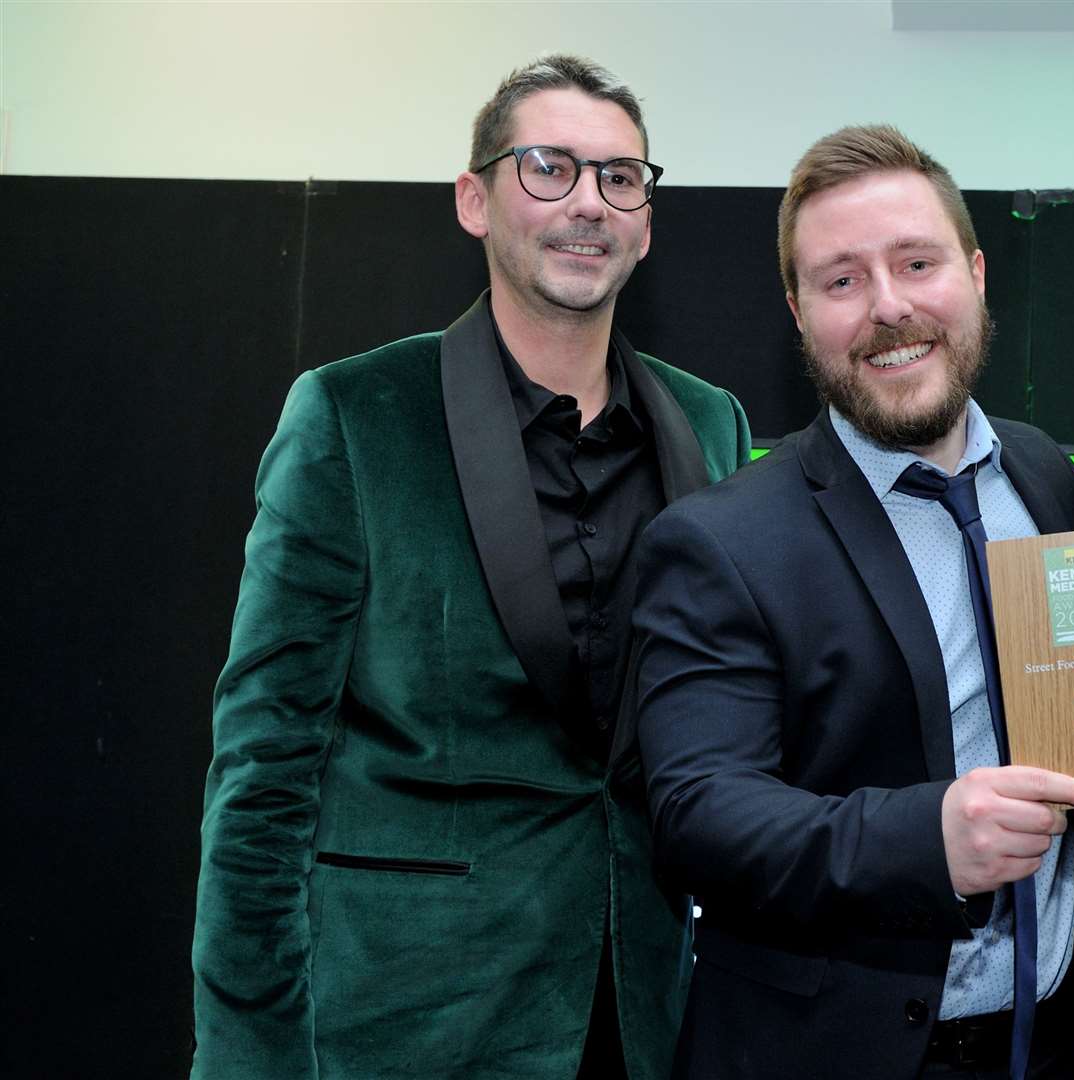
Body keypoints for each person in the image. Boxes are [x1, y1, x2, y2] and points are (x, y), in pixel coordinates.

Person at [191, 54, 749, 1080]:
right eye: (548, 167)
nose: (588, 202)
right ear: (473, 199)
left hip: (644, 1014)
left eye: (620, 177)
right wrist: (247, 1052)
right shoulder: (355, 416)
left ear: (648, 219)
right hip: (410, 1018)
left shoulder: (709, 423)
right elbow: (264, 768)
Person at [631, 125, 1074, 1080]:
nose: (889, 308)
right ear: (798, 313)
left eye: (917, 263)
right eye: (841, 281)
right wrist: (925, 840)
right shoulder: (720, 540)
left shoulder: (1047, 479)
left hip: (1063, 1041)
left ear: (974, 273)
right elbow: (697, 811)